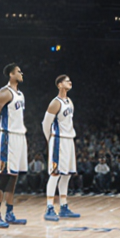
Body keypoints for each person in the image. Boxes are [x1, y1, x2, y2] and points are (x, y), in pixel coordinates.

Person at [0, 63, 29, 227]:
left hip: (20, 136)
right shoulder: (4, 92)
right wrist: (2, 132)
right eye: (19, 71)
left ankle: (10, 213)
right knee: (4, 177)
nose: (21, 73)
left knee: (14, 177)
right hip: (8, 137)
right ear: (11, 75)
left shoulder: (20, 94)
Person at [43, 75, 81, 220]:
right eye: (66, 80)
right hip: (58, 140)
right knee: (55, 173)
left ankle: (64, 206)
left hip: (69, 140)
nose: (70, 82)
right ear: (59, 85)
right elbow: (45, 124)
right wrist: (50, 140)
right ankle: (49, 207)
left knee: (67, 174)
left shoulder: (69, 102)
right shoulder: (55, 103)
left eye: (70, 80)